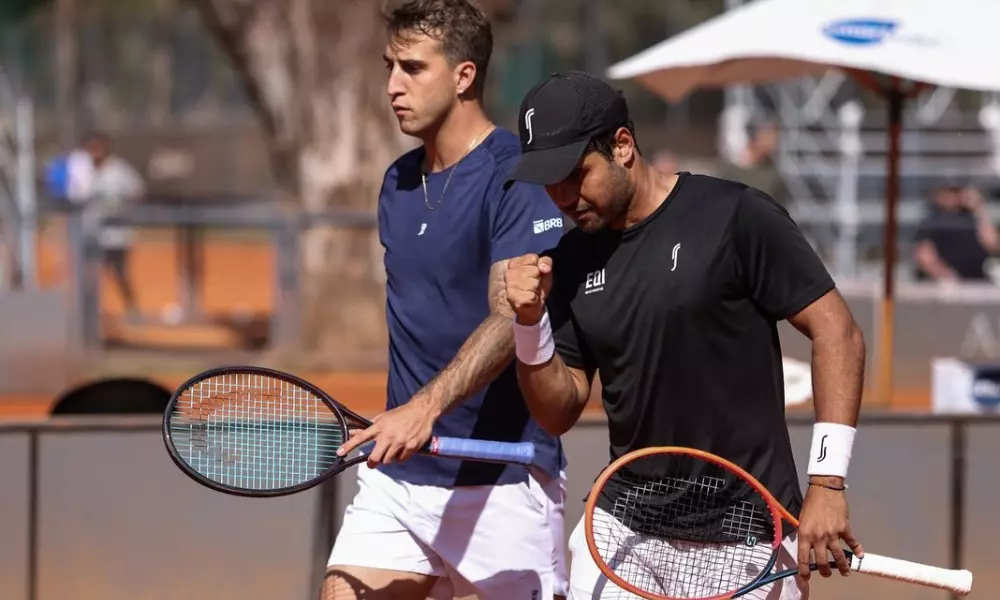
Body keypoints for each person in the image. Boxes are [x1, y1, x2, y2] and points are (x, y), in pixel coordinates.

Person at [502, 71, 867, 600]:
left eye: (574, 174)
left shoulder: (736, 215)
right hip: (623, 527)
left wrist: (828, 484)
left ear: (623, 146)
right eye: (548, 182)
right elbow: (559, 411)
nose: (561, 196)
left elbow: (839, 333)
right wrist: (529, 323)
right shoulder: (570, 259)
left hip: (749, 530)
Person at [324, 2, 568, 600]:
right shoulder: (397, 183)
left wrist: (425, 406)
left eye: (412, 68)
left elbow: (512, 313)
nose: (393, 86)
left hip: (503, 477)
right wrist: (409, 417)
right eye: (389, 67)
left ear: (464, 76)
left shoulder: (517, 176)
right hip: (400, 478)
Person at [66, 132, 144, 319]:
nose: (94, 153)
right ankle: (89, 316)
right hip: (91, 231)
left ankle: (132, 309)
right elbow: (73, 197)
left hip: (116, 233)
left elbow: (138, 191)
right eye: (90, 149)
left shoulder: (119, 170)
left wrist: (121, 206)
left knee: (119, 272)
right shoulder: (82, 171)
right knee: (89, 275)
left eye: (97, 149)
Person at [913, 178, 999, 282]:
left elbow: (993, 245)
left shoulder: (972, 218)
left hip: (976, 282)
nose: (952, 196)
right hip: (943, 285)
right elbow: (924, 256)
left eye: (956, 192)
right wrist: (949, 278)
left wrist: (979, 209)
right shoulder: (930, 221)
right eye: (948, 192)